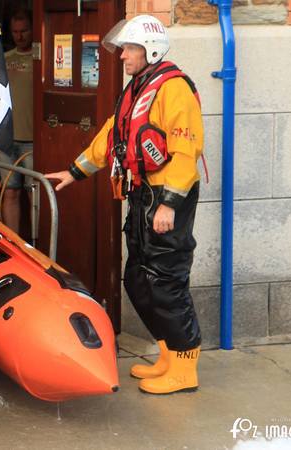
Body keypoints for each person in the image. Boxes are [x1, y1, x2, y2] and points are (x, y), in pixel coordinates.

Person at [44, 15, 203, 395]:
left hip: (166, 199)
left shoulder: (173, 89)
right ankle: (168, 354)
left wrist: (169, 206)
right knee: (137, 279)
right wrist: (74, 172)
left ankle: (185, 367)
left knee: (166, 282)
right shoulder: (138, 90)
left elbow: (186, 152)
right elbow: (110, 137)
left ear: (149, 50)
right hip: (142, 195)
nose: (121, 56)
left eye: (128, 49)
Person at [0, 8, 34, 234]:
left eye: (24, 31)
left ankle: (37, 246)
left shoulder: (41, 58)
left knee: (35, 194)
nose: (19, 36)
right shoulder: (3, 60)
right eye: (15, 32)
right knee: (10, 193)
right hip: (7, 140)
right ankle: (12, 243)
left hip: (33, 142)